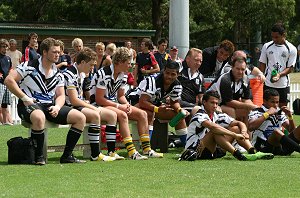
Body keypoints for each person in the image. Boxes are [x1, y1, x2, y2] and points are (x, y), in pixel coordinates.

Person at [4, 37, 86, 165]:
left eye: (59, 52)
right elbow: (9, 80)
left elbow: (60, 95)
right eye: (54, 52)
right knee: (39, 116)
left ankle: (67, 156)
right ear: (44, 52)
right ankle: (39, 157)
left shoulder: (58, 73)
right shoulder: (29, 66)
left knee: (80, 117)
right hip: (29, 105)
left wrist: (57, 107)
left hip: (50, 106)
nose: (57, 54)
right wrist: (25, 98)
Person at [92, 46, 163, 159]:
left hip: (112, 103)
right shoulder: (103, 73)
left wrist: (127, 104)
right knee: (122, 115)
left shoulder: (123, 75)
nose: (130, 66)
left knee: (142, 114)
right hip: (98, 105)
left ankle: (147, 149)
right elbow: (99, 99)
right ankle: (131, 152)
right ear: (120, 62)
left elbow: (120, 96)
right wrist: (120, 106)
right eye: (129, 63)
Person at [63, 47, 120, 161]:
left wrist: (88, 103)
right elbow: (74, 100)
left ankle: (111, 151)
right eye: (91, 65)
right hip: (68, 107)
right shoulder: (70, 74)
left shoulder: (82, 74)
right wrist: (92, 107)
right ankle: (95, 154)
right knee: (95, 115)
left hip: (78, 105)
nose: (92, 68)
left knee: (112, 115)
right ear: (82, 62)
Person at [181, 90, 273, 161]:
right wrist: (234, 135)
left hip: (211, 149)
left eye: (217, 103)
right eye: (212, 103)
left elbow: (239, 123)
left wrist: (243, 132)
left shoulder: (217, 115)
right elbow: (213, 127)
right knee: (215, 131)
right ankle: (237, 154)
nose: (215, 106)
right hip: (196, 150)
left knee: (236, 128)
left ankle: (252, 151)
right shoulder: (199, 114)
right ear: (204, 102)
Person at [137, 61, 188, 145]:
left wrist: (179, 110)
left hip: (154, 107)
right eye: (167, 73)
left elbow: (174, 102)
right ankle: (146, 146)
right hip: (136, 103)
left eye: (173, 74)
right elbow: (142, 102)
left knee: (179, 116)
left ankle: (187, 145)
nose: (169, 76)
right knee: (150, 114)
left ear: (177, 74)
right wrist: (157, 109)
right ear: (163, 71)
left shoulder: (177, 85)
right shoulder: (153, 81)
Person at [249, 88, 300, 156]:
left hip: (278, 147)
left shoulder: (279, 112)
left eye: (277, 102)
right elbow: (251, 127)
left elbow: (292, 130)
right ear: (264, 101)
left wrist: (290, 117)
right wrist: (267, 114)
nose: (276, 105)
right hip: (262, 147)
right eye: (272, 102)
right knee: (276, 132)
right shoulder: (256, 111)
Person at [208, 56, 257, 125]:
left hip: (224, 104)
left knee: (248, 111)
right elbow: (229, 102)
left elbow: (246, 99)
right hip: (212, 104)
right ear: (232, 67)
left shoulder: (246, 79)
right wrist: (249, 106)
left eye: (242, 69)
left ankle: (248, 134)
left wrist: (255, 108)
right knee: (231, 111)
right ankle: (233, 133)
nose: (240, 72)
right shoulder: (226, 79)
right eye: (237, 69)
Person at [258, 22, 297, 107]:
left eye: (276, 37)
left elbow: (290, 68)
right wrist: (260, 76)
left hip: (283, 85)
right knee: (266, 109)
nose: (274, 39)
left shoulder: (292, 49)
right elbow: (262, 63)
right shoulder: (267, 46)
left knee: (282, 111)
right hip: (268, 84)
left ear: (283, 35)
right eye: (272, 37)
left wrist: (279, 75)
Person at [0, 39, 13, 125]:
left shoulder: (8, 58)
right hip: (0, 83)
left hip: (6, 83)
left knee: (5, 104)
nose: (5, 49)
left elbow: (10, 68)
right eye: (3, 47)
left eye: (6, 47)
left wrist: (10, 74)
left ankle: (5, 122)